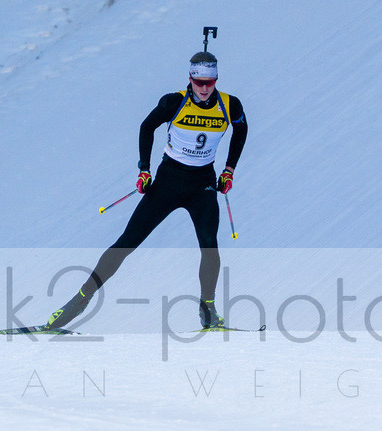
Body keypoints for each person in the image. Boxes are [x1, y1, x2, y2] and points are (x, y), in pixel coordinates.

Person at [47, 50, 247, 330]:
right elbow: (146, 127)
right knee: (127, 241)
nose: (204, 88)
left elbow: (241, 130)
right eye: (198, 82)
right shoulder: (174, 101)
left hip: (202, 184)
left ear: (216, 80)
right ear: (190, 78)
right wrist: (144, 169)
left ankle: (208, 311)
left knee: (210, 247)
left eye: (209, 82)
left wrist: (229, 170)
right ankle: (79, 300)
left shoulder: (229, 105)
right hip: (168, 181)